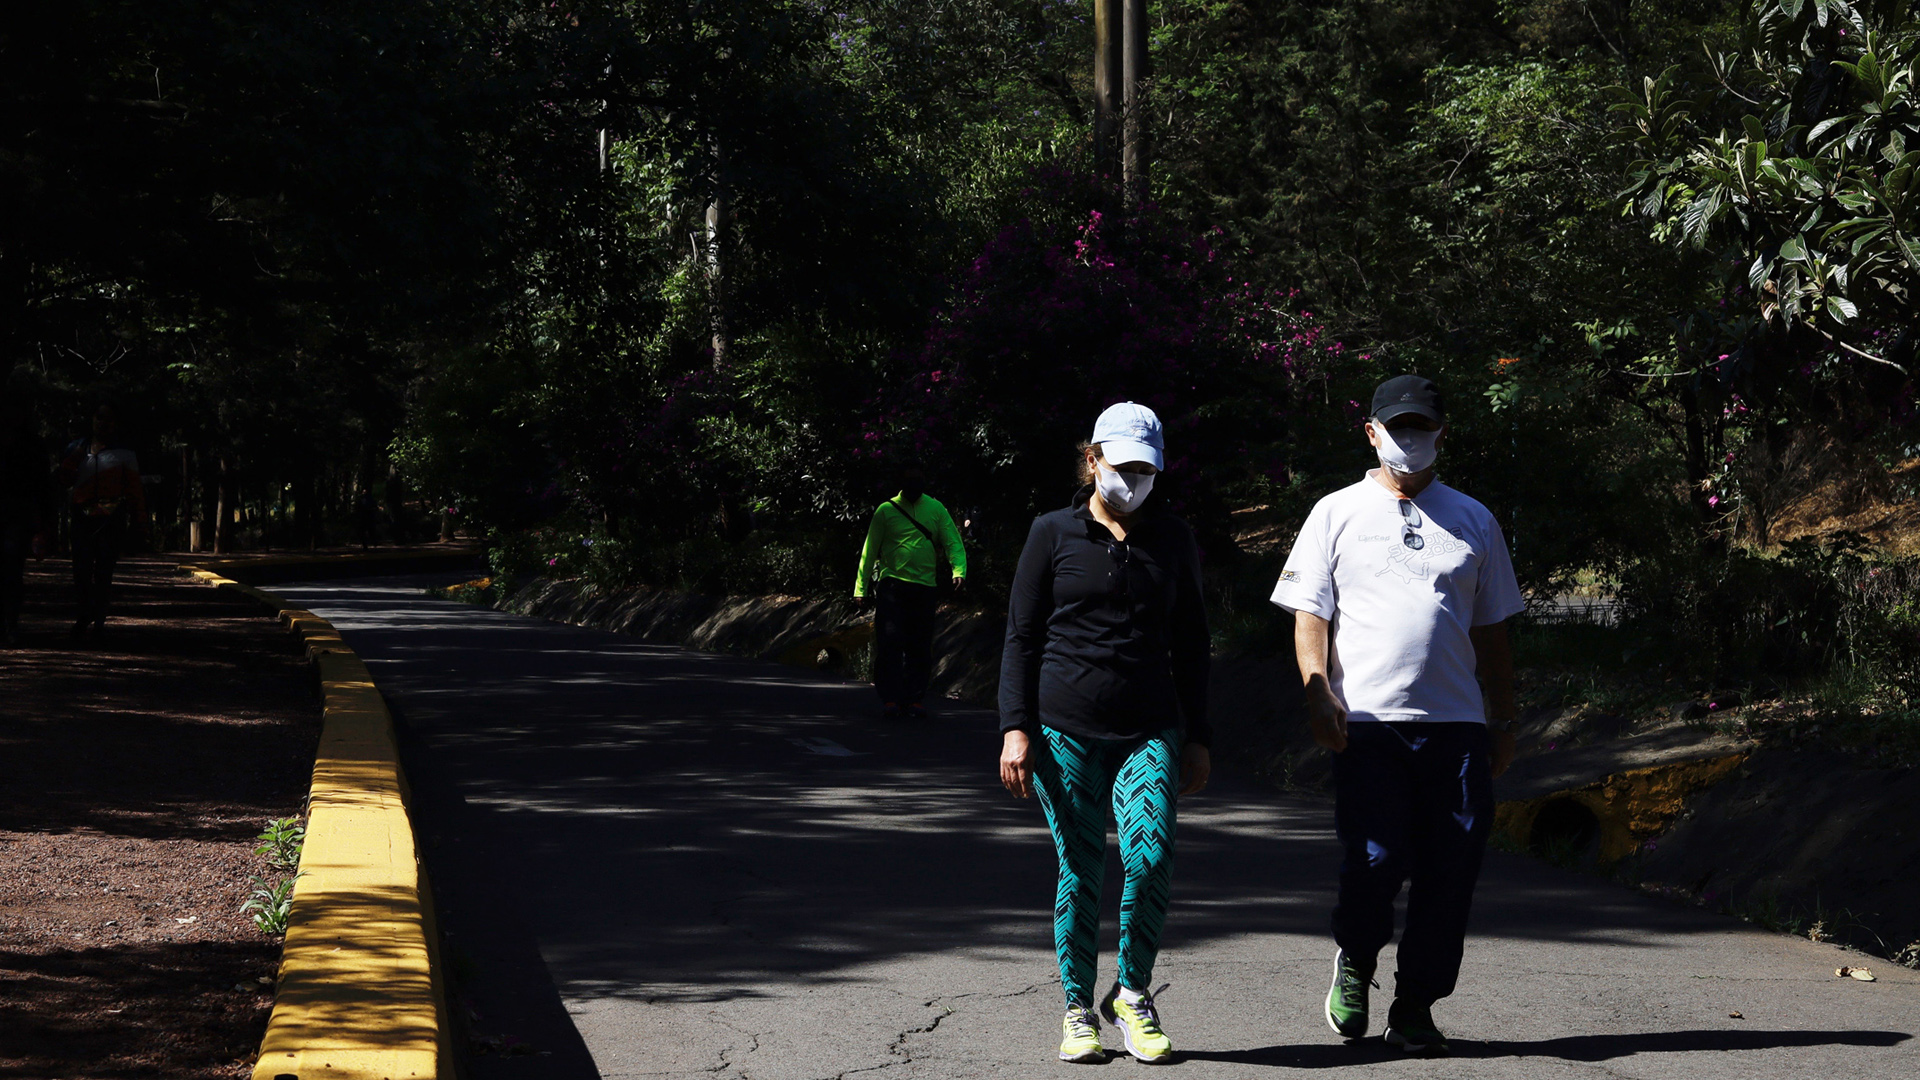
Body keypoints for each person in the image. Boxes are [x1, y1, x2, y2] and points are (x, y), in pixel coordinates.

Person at [1269, 375, 1522, 1056]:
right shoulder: (1335, 512)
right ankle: (1356, 960)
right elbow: (1309, 614)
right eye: (1396, 427)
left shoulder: (1474, 519)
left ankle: (1415, 1004)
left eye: (1421, 428)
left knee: (1451, 869)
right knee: (1375, 861)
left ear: (1443, 434)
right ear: (1372, 432)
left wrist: (1503, 718)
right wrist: (1317, 688)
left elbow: (1493, 630)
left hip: (1457, 727)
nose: (1408, 440)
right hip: (1369, 725)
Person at [998, 402, 1213, 1065]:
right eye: (1123, 467)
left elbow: (1194, 643)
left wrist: (1199, 734)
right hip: (1066, 732)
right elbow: (1022, 637)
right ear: (1092, 459)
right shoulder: (1052, 533)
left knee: (1149, 859)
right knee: (1082, 868)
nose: (1135, 479)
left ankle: (1133, 993)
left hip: (1150, 728)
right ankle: (1075, 1008)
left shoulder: (1172, 539)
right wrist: (1015, 729)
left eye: (1147, 469)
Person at [853, 459, 967, 720]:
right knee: (890, 643)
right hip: (892, 587)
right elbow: (869, 551)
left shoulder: (936, 509)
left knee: (919, 645)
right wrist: (861, 588)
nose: (914, 484)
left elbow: (953, 542)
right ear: (901, 483)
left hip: (925, 588)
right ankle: (891, 699)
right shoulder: (885, 511)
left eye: (918, 479)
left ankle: (914, 699)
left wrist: (958, 570)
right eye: (909, 479)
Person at [55, 403, 148, 637]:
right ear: (92, 420)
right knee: (81, 570)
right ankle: (84, 614)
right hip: (80, 518)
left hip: (110, 520)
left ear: (115, 423)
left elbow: (134, 489)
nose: (102, 423)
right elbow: (61, 481)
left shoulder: (125, 453)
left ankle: (99, 619)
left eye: (108, 419)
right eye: (99, 417)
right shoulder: (76, 448)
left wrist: (140, 520)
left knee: (104, 571)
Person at [0, 379, 52, 646]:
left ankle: (10, 623)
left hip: (17, 516)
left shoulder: (31, 445)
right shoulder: (30, 443)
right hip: (16, 515)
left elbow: (42, 486)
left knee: (11, 570)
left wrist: (42, 527)